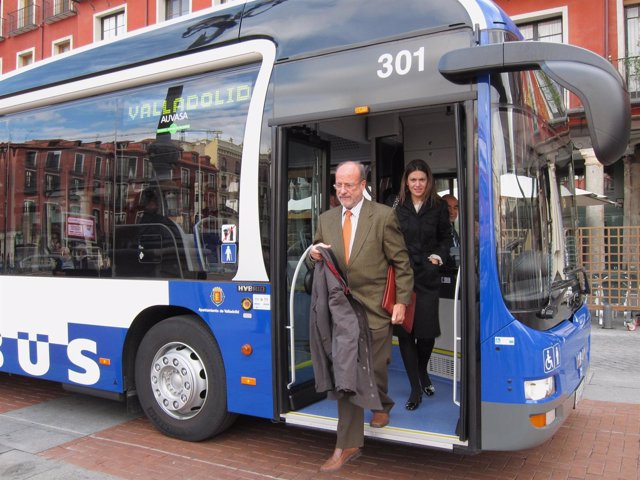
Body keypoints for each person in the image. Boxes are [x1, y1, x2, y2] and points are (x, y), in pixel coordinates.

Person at [309, 161, 413, 472]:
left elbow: (402, 263)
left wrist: (402, 302)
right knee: (349, 377)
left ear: (363, 184)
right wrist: (315, 252)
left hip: (375, 310)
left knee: (375, 369)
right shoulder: (326, 219)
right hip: (342, 313)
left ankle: (382, 403)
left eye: (349, 185)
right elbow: (318, 249)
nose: (342, 191)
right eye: (338, 185)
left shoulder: (382, 216)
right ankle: (347, 444)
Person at [393, 159, 451, 411]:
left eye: (422, 180)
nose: (417, 184)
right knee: (406, 333)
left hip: (427, 276)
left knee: (426, 334)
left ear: (428, 181)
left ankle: (422, 371)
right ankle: (416, 388)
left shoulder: (438, 206)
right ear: (406, 181)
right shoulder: (396, 206)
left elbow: (446, 238)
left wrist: (439, 256)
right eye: (413, 179)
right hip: (402, 276)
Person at [442, 193, 460, 268]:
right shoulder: (436, 230)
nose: (452, 212)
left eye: (455, 208)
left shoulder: (452, 229)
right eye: (448, 207)